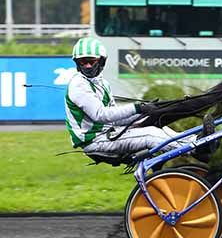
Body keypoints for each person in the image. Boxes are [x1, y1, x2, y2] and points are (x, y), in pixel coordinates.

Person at [65, 37, 196, 157]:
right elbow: (102, 115)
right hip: (94, 141)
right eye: (83, 62)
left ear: (101, 61)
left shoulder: (103, 84)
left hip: (108, 133)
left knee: (154, 124)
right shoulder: (78, 85)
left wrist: (146, 112)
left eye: (91, 61)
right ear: (77, 63)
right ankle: (193, 149)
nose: (87, 66)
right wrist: (138, 108)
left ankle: (196, 140)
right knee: (149, 134)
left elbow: (114, 120)